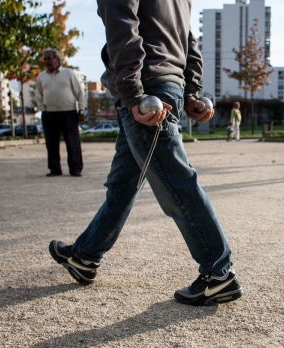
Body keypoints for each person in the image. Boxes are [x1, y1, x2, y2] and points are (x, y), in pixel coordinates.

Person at [48, 0, 243, 306]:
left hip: (146, 90)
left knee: (177, 184)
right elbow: (187, 38)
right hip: (166, 86)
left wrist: (132, 92)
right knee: (122, 185)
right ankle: (85, 256)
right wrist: (190, 89)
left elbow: (122, 24)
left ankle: (219, 274)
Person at [35, 49, 86, 177]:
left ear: (57, 59)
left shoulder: (68, 73)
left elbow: (79, 92)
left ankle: (76, 168)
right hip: (49, 113)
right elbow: (38, 95)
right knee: (51, 143)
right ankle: (54, 169)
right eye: (45, 59)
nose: (47, 61)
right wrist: (42, 108)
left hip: (68, 112)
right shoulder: (41, 76)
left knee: (72, 142)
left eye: (49, 58)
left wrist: (81, 109)